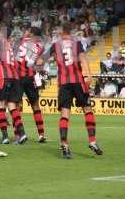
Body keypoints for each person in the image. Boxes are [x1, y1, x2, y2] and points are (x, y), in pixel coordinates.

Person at [38, 22, 103, 159]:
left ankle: (64, 144)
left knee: (65, 114)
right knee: (87, 109)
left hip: (63, 83)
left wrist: (48, 61)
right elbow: (83, 59)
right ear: (71, 32)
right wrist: (89, 75)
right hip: (78, 81)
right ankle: (92, 141)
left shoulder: (55, 46)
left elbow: (40, 61)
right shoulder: (77, 43)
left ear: (61, 33)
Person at [0, 27, 28, 145]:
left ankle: (5, 136)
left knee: (0, 105)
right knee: (12, 106)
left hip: (3, 76)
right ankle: (22, 133)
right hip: (15, 77)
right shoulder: (11, 44)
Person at [16, 26, 46, 142]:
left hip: (18, 76)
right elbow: (39, 62)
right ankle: (41, 134)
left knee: (16, 106)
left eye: (28, 31)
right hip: (30, 77)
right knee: (35, 105)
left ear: (32, 33)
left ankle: (18, 135)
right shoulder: (40, 47)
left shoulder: (21, 41)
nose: (26, 32)